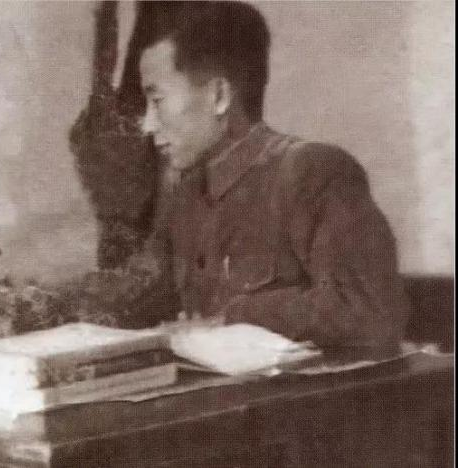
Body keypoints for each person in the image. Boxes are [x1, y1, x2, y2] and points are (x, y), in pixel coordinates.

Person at [132, 1, 409, 351]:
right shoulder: (185, 198)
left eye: (157, 101)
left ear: (219, 96)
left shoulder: (313, 173)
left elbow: (370, 311)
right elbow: (139, 292)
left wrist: (232, 316)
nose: (147, 125)